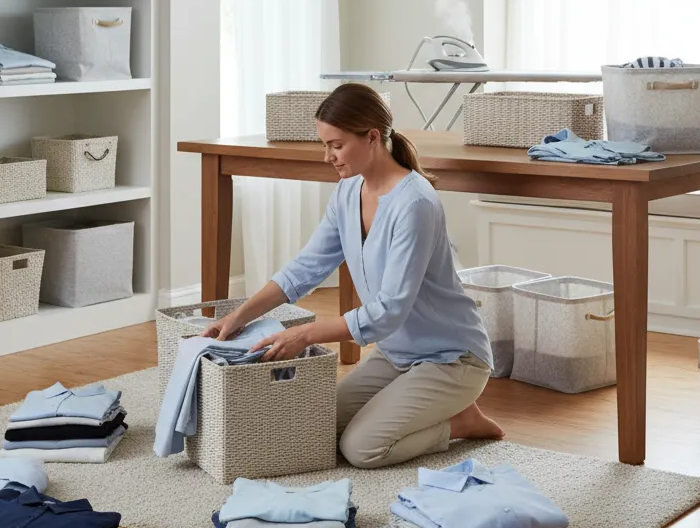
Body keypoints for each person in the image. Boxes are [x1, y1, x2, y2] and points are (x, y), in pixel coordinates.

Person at [201, 82, 504, 469]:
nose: (327, 156)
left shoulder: (415, 204)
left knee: (361, 449)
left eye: (336, 145)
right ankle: (429, 408)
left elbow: (388, 312)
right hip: (396, 355)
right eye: (324, 144)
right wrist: (238, 316)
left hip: (452, 358)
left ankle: (461, 421)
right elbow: (304, 269)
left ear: (373, 137)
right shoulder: (348, 193)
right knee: (314, 427)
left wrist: (304, 334)